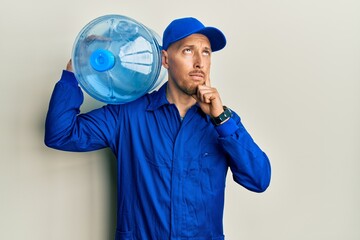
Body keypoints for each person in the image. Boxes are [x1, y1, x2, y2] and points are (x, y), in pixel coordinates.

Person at [45, 17, 271, 240]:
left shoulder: (223, 122)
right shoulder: (128, 115)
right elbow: (61, 134)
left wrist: (221, 120)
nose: (199, 62)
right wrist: (75, 69)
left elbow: (258, 180)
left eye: (206, 52)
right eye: (187, 51)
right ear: (165, 59)